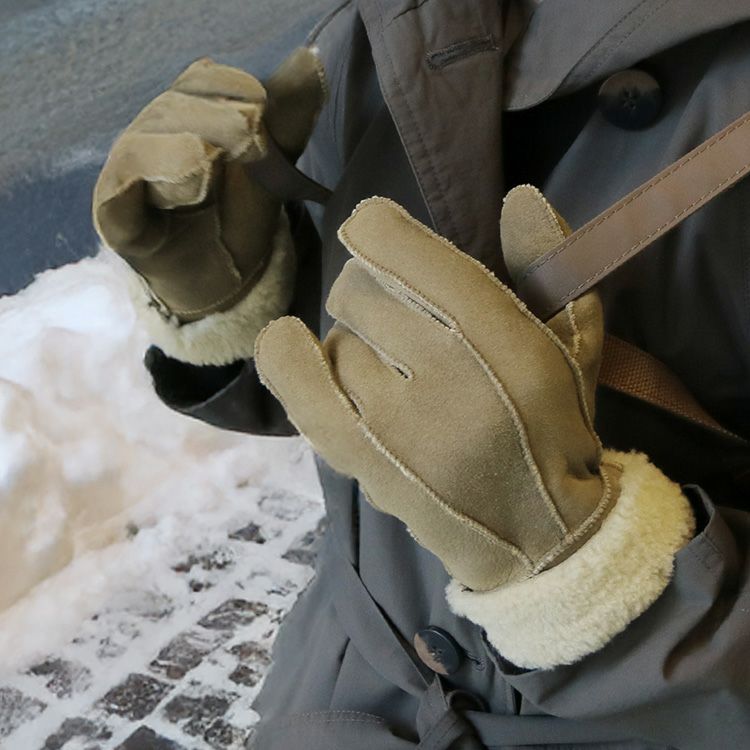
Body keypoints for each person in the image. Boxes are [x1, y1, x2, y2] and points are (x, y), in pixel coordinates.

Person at [92, 2, 750, 747]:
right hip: (338, 702)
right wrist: (232, 285)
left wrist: (595, 580)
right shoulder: (386, 27)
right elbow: (357, 370)